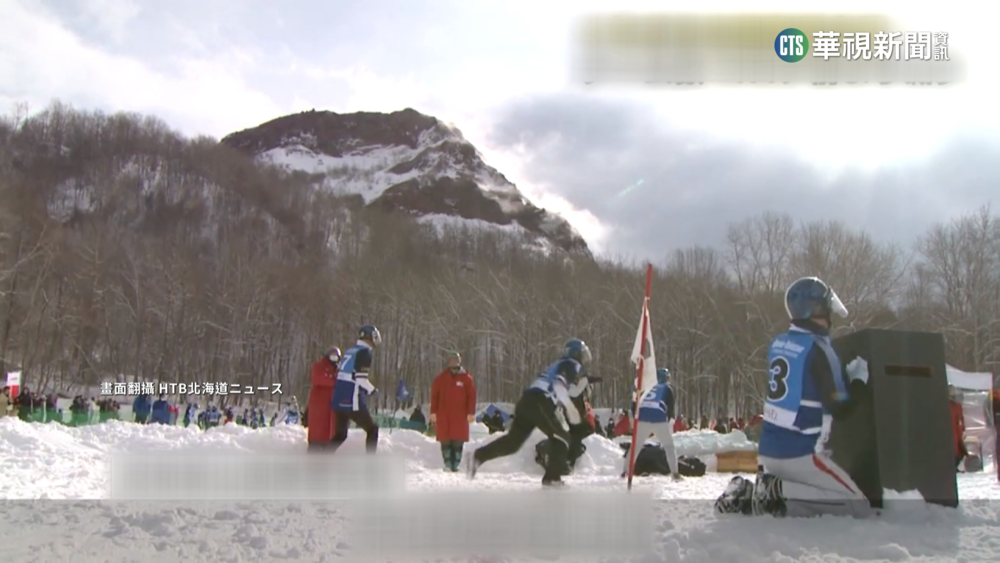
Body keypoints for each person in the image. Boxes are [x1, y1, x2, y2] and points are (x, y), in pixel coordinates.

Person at [715, 276, 873, 518]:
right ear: (817, 309)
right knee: (857, 505)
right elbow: (840, 408)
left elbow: (807, 385)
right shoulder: (818, 347)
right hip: (801, 453)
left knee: (812, 497)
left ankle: (748, 495)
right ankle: (775, 490)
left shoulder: (780, 343)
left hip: (770, 450)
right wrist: (860, 382)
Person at [467, 338, 592, 487]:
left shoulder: (558, 364)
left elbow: (563, 387)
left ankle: (478, 456)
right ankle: (552, 479)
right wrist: (571, 409)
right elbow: (559, 385)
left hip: (527, 401)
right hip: (540, 401)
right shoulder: (572, 364)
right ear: (577, 354)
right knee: (562, 438)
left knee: (513, 442)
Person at [330, 325, 382, 454]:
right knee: (372, 429)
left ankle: (319, 462)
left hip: (338, 398)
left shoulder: (350, 350)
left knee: (340, 435)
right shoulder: (365, 352)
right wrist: (372, 390)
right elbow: (360, 378)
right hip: (351, 399)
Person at [625, 368, 681, 481]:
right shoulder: (667, 388)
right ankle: (675, 473)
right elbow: (670, 409)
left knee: (635, 447)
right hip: (659, 419)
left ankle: (626, 471)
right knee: (669, 447)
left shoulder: (645, 387)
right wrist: (669, 419)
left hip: (642, 419)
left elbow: (634, 403)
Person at [430, 351, 477, 471]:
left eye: (455, 360)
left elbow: (471, 397)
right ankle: (447, 464)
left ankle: (455, 465)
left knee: (457, 442)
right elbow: (435, 396)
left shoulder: (467, 379)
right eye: (450, 360)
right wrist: (433, 412)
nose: (452, 362)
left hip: (460, 417)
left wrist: (471, 412)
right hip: (443, 416)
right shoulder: (440, 379)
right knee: (445, 441)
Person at [307, 346, 342, 452]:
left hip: (332, 408)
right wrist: (334, 382)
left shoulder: (338, 370)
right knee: (317, 435)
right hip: (319, 406)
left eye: (336, 357)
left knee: (330, 434)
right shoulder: (319, 367)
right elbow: (318, 379)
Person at [948, 386, 968, 471]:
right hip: (951, 432)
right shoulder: (948, 405)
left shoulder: (957, 405)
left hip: (957, 431)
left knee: (960, 452)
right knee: (954, 451)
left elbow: (960, 417)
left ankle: (954, 467)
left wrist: (963, 428)